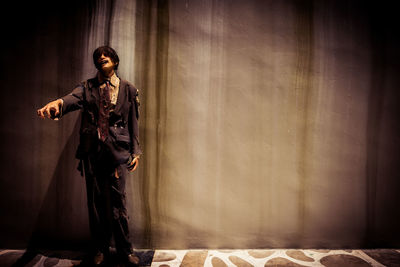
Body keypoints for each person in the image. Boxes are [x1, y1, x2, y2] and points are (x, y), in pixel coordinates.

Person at [37, 46, 142, 266]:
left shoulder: (129, 89)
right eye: (98, 57)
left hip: (118, 152)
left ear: (115, 60)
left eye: (106, 55)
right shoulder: (87, 87)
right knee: (95, 204)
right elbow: (71, 99)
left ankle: (125, 250)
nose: (101, 58)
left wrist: (136, 151)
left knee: (118, 204)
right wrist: (58, 104)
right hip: (93, 152)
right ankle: (99, 249)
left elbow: (133, 122)